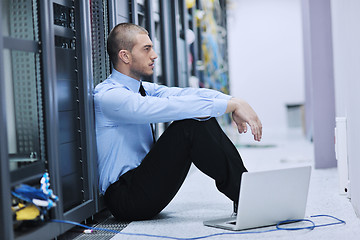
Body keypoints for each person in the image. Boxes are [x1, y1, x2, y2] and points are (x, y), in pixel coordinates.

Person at [93, 23, 262, 221]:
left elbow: (186, 94)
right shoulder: (109, 97)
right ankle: (250, 197)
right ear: (125, 56)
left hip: (143, 183)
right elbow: (171, 108)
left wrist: (234, 101)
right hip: (126, 198)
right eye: (146, 49)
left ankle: (248, 195)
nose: (154, 55)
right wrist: (231, 107)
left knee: (198, 116)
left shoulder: (143, 88)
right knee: (190, 125)